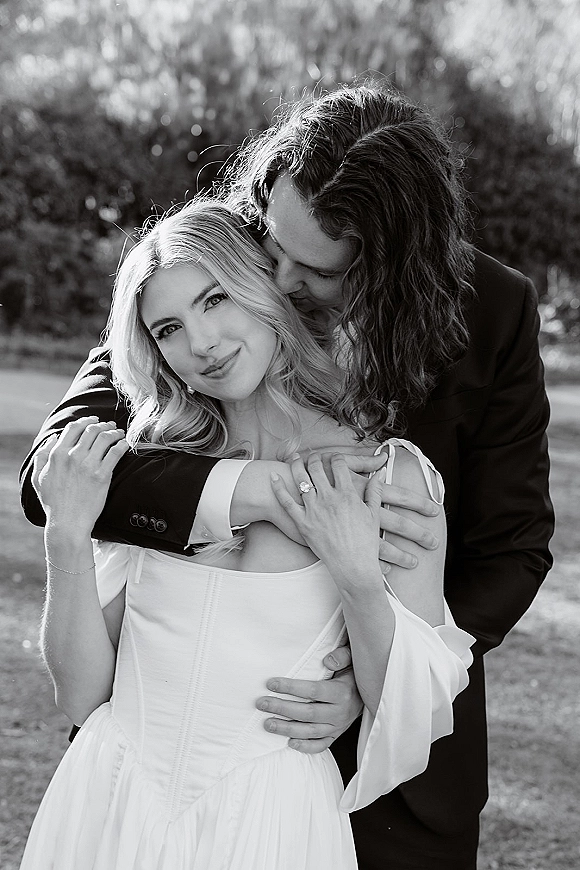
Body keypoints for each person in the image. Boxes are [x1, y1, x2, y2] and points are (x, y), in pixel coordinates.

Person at [19, 81, 554, 869]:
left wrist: (373, 686)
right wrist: (257, 491)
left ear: (389, 262)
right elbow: (58, 465)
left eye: (316, 268)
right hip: (157, 769)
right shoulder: (214, 267)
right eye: (273, 246)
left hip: (387, 773)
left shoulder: (492, 310)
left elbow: (511, 551)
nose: (282, 276)